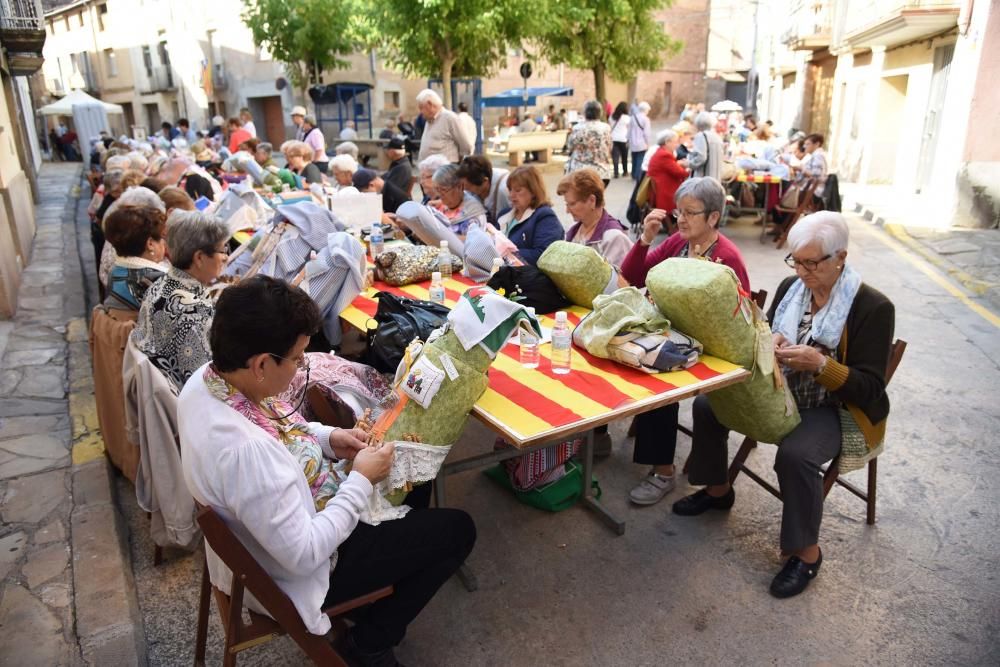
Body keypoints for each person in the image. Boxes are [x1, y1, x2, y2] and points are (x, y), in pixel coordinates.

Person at [177, 275, 476, 666]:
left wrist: (331, 438)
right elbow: (304, 555)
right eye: (298, 356)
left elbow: (284, 426)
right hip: (301, 570)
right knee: (457, 531)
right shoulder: (247, 452)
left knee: (414, 479)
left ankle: (380, 591)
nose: (303, 363)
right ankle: (369, 641)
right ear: (262, 364)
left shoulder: (209, 380)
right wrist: (359, 479)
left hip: (281, 523)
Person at [673, 212, 894, 599]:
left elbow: (871, 389)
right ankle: (718, 490)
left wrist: (822, 365)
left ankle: (807, 553)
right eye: (797, 260)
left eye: (813, 262)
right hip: (784, 389)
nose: (804, 271)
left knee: (796, 454)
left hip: (834, 407)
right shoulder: (792, 286)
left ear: (840, 257)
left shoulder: (872, 307)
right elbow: (768, 329)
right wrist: (771, 340)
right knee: (709, 405)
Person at [620, 178, 750, 505]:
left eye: (691, 213)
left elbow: (743, 316)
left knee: (655, 371)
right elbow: (634, 276)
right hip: (675, 335)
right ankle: (595, 434)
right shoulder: (678, 244)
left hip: (712, 348)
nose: (681, 219)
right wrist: (646, 238)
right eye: (679, 211)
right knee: (623, 346)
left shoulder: (726, 258)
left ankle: (663, 473)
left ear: (713, 218)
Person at [132, 211, 230, 388]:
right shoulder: (196, 311)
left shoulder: (158, 285)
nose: (225, 257)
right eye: (222, 250)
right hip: (186, 403)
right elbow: (208, 385)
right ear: (199, 258)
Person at [395, 163, 487, 255]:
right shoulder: (440, 204)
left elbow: (475, 242)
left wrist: (433, 235)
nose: (439, 194)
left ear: (459, 187)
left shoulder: (473, 212)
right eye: (437, 189)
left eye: (443, 190)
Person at [102, 194, 168, 311]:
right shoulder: (160, 281)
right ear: (150, 244)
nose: (164, 243)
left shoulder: (115, 271)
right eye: (162, 237)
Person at [557, 168, 632, 269]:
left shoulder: (614, 238)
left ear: (592, 200)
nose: (567, 210)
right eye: (567, 204)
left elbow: (616, 282)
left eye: (572, 204)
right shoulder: (574, 231)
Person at [497, 165, 563, 265]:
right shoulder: (503, 214)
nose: (511, 195)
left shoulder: (544, 216)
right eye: (510, 190)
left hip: (527, 277)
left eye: (518, 190)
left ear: (533, 191)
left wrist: (506, 254)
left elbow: (543, 255)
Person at [415, 89, 472, 162]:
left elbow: (466, 147)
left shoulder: (450, 118)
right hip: (429, 171)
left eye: (421, 107)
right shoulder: (429, 120)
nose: (420, 111)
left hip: (445, 170)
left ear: (430, 104)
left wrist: (454, 165)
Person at [565, 100, 613, 184]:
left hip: (579, 172)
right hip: (602, 173)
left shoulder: (577, 128)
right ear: (600, 113)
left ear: (585, 113)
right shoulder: (606, 128)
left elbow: (570, 146)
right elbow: (610, 147)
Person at [456, 155, 510, 226]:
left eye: (469, 188)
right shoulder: (472, 180)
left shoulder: (504, 189)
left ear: (485, 181)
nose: (466, 191)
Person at [645, 129, 689, 215]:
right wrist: (689, 168)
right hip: (665, 192)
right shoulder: (665, 155)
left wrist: (677, 164)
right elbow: (681, 173)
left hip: (661, 189)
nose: (677, 145)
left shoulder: (661, 152)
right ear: (667, 142)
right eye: (675, 142)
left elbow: (670, 167)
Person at [687, 111, 724, 182]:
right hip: (716, 179)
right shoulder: (717, 137)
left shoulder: (701, 136)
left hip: (703, 179)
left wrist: (689, 163)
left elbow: (701, 157)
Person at [797, 133, 829, 198]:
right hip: (808, 189)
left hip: (811, 192)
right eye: (805, 144)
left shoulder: (818, 155)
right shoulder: (815, 155)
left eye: (807, 144)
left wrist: (801, 168)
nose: (804, 147)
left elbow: (816, 176)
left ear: (817, 144)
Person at [628, 101, 653, 180]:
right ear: (646, 110)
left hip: (633, 141)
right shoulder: (646, 119)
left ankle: (633, 174)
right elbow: (647, 133)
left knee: (634, 158)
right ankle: (637, 175)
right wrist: (648, 143)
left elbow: (629, 130)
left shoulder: (633, 118)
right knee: (640, 159)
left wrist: (628, 140)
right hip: (641, 142)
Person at [609, 102, 631, 178]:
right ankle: (625, 172)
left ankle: (616, 173)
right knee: (624, 156)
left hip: (613, 139)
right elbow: (629, 129)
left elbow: (610, 126)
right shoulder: (627, 118)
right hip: (623, 139)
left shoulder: (611, 116)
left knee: (615, 157)